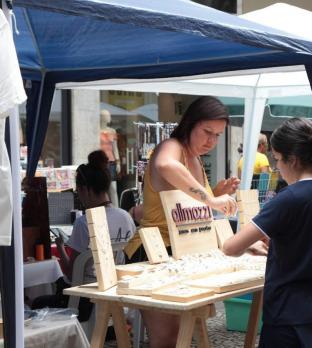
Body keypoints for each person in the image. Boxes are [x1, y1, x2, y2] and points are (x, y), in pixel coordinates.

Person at [123, 96, 239, 348]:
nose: (212, 141)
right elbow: (165, 164)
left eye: (218, 135)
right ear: (190, 123)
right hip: (154, 250)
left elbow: (184, 205)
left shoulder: (195, 158)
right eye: (207, 132)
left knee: (184, 333)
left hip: (185, 252)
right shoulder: (171, 145)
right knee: (168, 338)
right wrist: (210, 198)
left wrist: (216, 194)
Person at [223, 118, 312, 348]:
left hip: (287, 311)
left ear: (294, 159)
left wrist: (250, 247)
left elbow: (230, 247)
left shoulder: (289, 198)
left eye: (278, 159)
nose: (277, 167)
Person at [43, 150, 136, 321]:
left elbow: (72, 275)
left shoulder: (84, 223)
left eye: (78, 192)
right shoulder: (125, 216)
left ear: (85, 189)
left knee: (38, 302)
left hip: (87, 301)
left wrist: (61, 247)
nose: (79, 196)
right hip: (119, 293)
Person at [100, 109, 120, 206]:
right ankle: (105, 208)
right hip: (100, 162)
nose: (109, 118)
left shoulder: (112, 131)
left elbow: (115, 148)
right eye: (107, 116)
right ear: (102, 118)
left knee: (113, 187)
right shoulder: (96, 131)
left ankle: (117, 208)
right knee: (102, 187)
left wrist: (118, 162)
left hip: (111, 161)